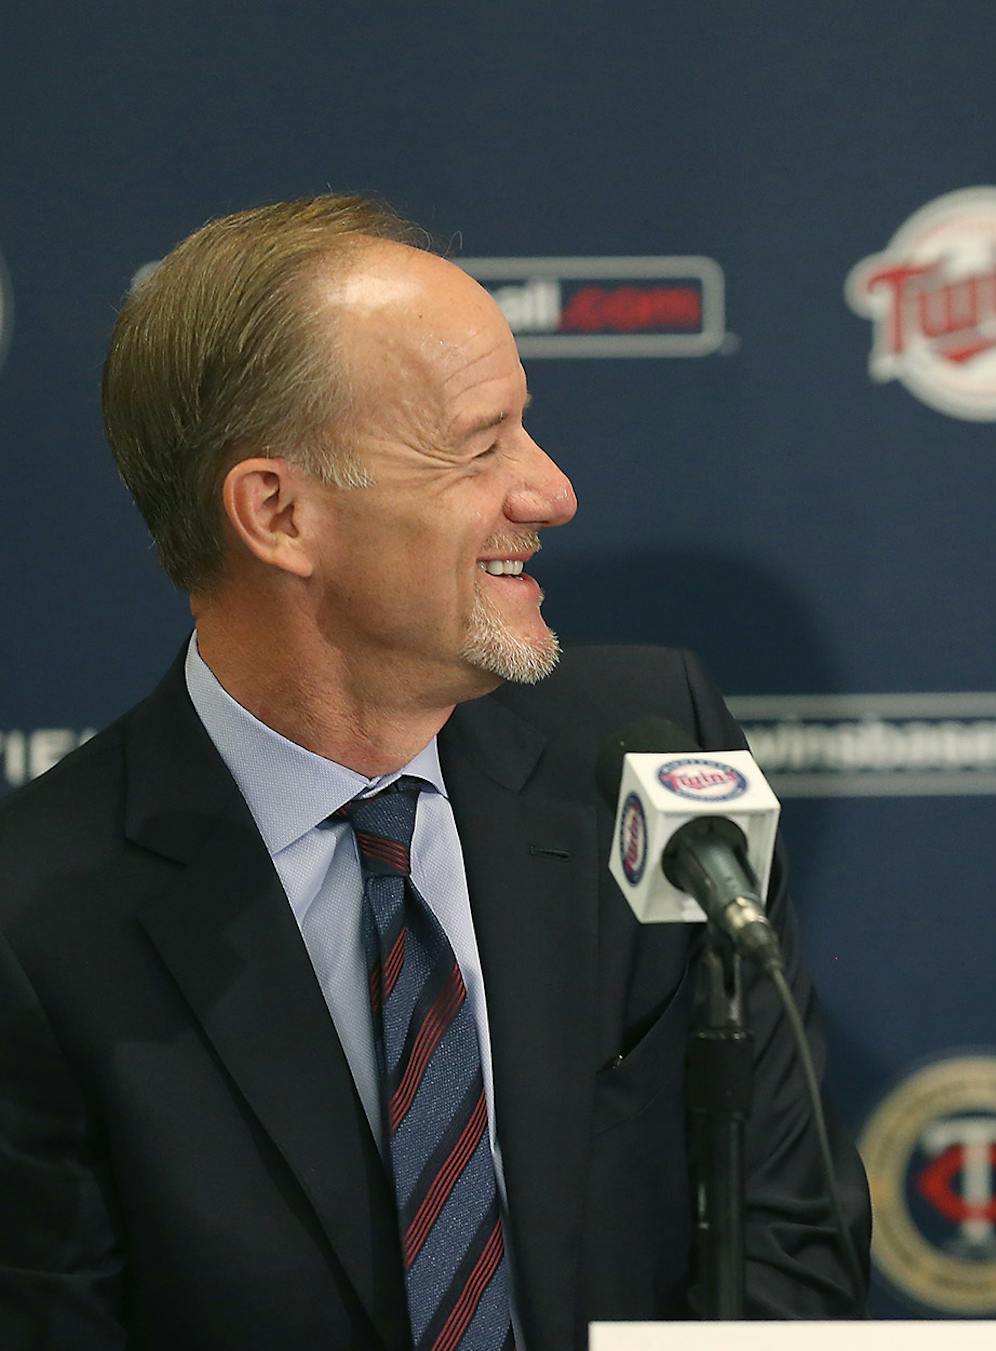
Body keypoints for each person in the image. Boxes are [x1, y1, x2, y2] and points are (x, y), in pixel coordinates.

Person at [0, 195, 869, 1349]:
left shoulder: (651, 742)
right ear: (279, 512)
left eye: (528, 427)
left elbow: (788, 1243)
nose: (551, 490)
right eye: (480, 445)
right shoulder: (38, 919)